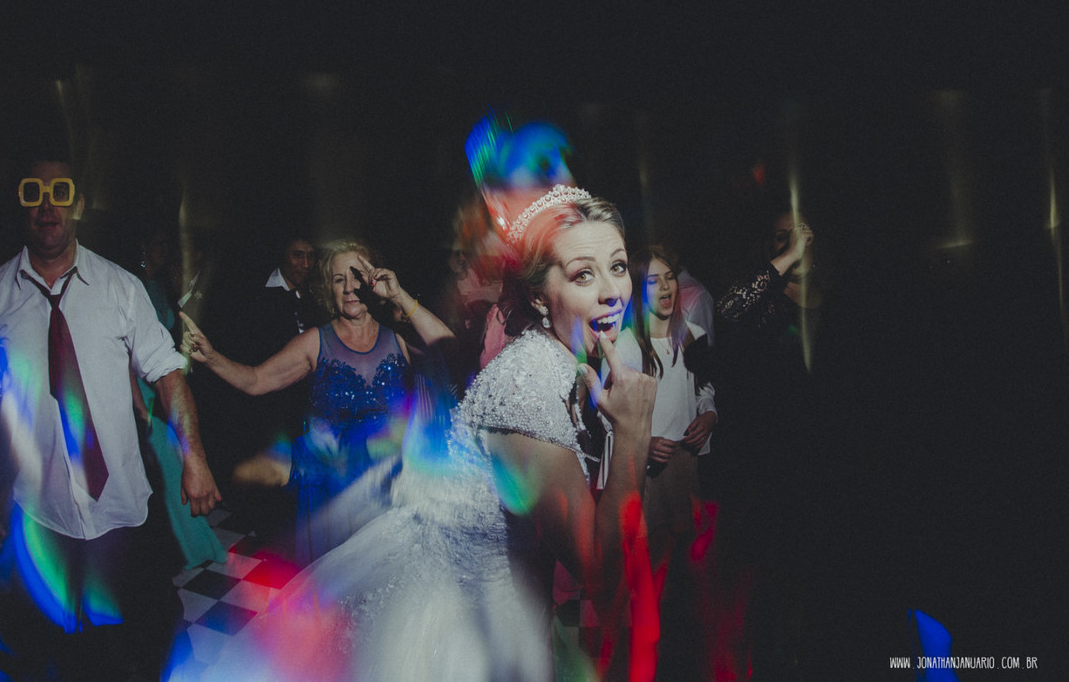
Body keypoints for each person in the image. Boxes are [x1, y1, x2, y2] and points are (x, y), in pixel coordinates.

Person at [204, 186, 659, 682]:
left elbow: (451, 359)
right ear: (537, 293)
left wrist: (399, 298)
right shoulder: (529, 390)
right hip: (459, 616)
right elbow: (602, 576)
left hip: (485, 587)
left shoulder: (551, 357)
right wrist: (633, 434)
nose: (613, 290)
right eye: (582, 274)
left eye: (617, 266)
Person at [0, 157, 221, 679]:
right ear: (21, 204)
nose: (47, 204)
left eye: (60, 192)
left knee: (143, 637)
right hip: (43, 511)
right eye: (34, 192)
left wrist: (196, 460)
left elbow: (168, 374)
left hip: (123, 507)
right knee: (61, 649)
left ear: (77, 203)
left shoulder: (122, 289)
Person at [181, 238, 454, 564]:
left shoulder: (397, 337)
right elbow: (256, 380)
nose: (350, 287)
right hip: (331, 495)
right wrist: (211, 358)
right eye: (339, 279)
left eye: (357, 277)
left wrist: (399, 296)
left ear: (373, 281)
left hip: (390, 490)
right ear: (328, 288)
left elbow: (449, 351)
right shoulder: (314, 342)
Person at [709, 209, 820, 680]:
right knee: (773, 575)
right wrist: (791, 253)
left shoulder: (839, 296)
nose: (789, 244)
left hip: (826, 454)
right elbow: (729, 308)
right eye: (780, 238)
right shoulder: (764, 304)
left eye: (797, 236)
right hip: (772, 457)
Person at [609, 245, 717, 680]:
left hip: (684, 466)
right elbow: (606, 413)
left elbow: (706, 387)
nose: (666, 286)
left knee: (686, 567)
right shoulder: (627, 345)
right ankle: (646, 660)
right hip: (647, 473)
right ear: (639, 289)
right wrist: (643, 439)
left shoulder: (691, 333)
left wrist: (710, 415)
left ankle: (683, 656)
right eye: (653, 280)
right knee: (646, 572)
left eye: (670, 276)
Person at [131, 222, 228, 570]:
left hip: (166, 383)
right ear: (143, 246)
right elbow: (126, 355)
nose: (165, 251)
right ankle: (176, 546)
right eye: (159, 244)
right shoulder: (131, 285)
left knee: (173, 464)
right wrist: (139, 406)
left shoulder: (157, 288)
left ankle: (185, 544)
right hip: (141, 390)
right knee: (167, 465)